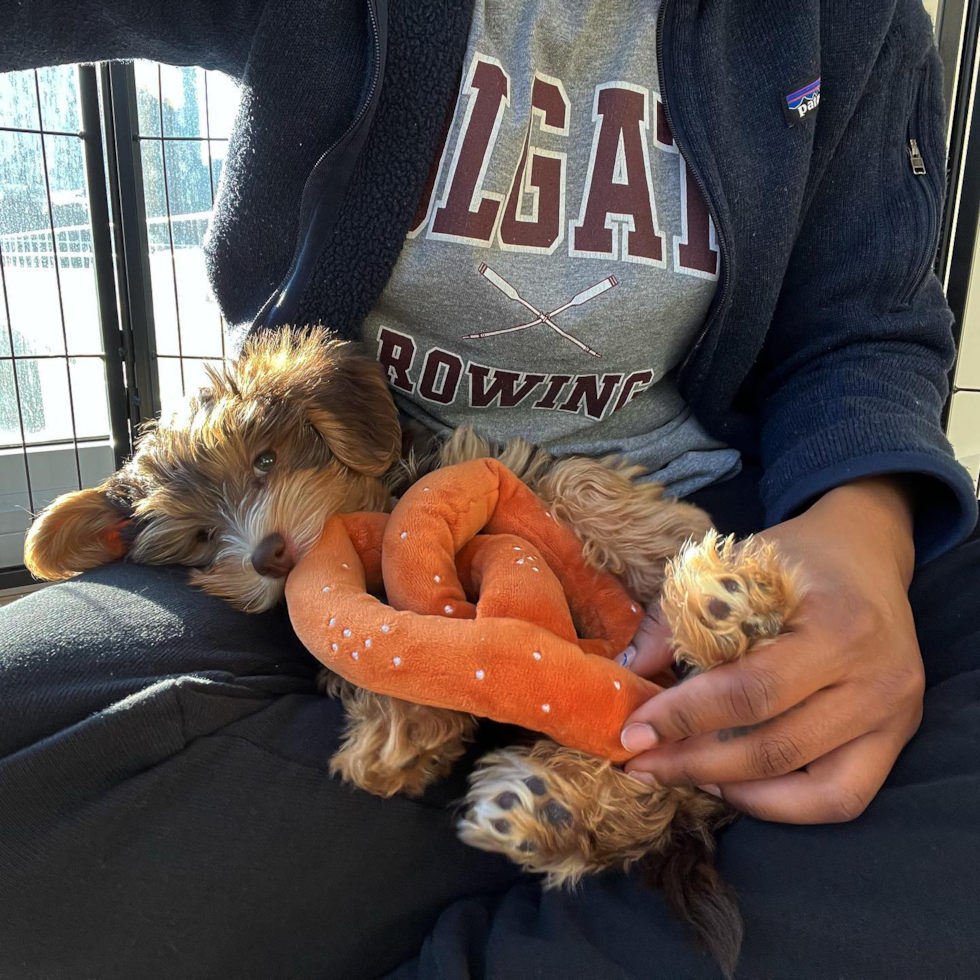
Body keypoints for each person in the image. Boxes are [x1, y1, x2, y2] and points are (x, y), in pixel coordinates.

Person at [1, 1, 978, 978]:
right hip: (359, 538)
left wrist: (863, 531)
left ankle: (486, 840)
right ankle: (610, 858)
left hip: (702, 516)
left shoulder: (842, 21)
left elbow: (862, 325)